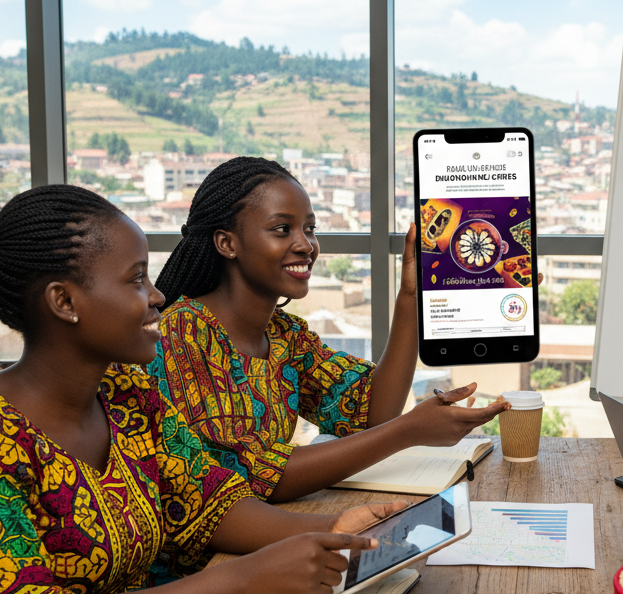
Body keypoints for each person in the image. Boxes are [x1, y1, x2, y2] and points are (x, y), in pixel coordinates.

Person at [0, 185, 405, 594]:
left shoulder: (129, 398)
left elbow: (212, 504)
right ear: (64, 301)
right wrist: (245, 578)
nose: (159, 295)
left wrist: (331, 530)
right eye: (136, 280)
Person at [150, 157, 508, 519]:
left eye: (309, 229)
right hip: (199, 566)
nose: (306, 245)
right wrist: (408, 430)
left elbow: (372, 411)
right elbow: (251, 477)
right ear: (227, 243)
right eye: (281, 230)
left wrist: (411, 296)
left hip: (265, 543)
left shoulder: (285, 336)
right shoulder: (180, 336)